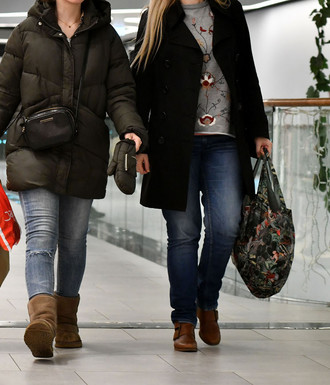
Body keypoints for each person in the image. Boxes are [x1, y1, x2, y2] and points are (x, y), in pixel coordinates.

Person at [0, 0, 147, 358]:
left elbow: (120, 93)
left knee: (74, 241)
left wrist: (131, 131)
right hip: (35, 150)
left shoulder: (104, 36)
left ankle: (66, 321)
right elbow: (1, 99)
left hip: (85, 152)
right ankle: (43, 321)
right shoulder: (26, 34)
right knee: (42, 236)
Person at [131, 0, 273, 352]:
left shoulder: (228, 9)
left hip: (225, 139)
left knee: (225, 227)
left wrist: (259, 128)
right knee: (183, 234)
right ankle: (183, 320)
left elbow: (246, 72)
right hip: (172, 144)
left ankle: (206, 302)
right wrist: (140, 144)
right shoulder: (156, 16)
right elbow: (141, 84)